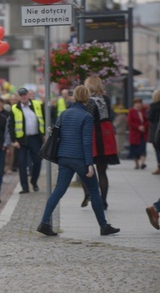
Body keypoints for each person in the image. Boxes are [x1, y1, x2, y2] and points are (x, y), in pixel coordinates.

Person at [36, 85, 120, 236]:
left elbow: (57, 133)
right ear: (87, 98)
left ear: (74, 97)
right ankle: (104, 226)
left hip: (63, 157)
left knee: (58, 191)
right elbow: (86, 141)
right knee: (94, 191)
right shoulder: (87, 117)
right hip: (79, 159)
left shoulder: (64, 113)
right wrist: (89, 164)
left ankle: (44, 222)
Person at [81, 76, 120, 210]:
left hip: (92, 135)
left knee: (86, 169)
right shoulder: (106, 99)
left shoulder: (88, 101)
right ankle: (104, 201)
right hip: (105, 135)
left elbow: (87, 118)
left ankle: (88, 194)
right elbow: (109, 115)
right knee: (102, 172)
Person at [9, 87, 45, 194]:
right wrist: (14, 140)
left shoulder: (37, 105)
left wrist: (44, 134)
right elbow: (11, 126)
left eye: (25, 94)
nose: (23, 97)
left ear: (28, 95)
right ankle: (25, 187)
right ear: (19, 97)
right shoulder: (15, 108)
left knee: (38, 161)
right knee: (22, 164)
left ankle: (34, 181)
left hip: (35, 138)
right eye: (21, 95)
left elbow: (44, 119)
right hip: (21, 140)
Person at [128, 98, 149, 170]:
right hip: (135, 133)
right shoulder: (131, 111)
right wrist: (138, 127)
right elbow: (130, 122)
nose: (138, 108)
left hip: (143, 133)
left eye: (139, 106)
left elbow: (147, 120)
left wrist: (144, 126)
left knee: (143, 148)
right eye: (136, 106)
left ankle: (142, 163)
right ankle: (136, 163)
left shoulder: (144, 111)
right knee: (135, 149)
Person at [146, 89, 160, 174]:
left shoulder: (153, 106)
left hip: (156, 130)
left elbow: (149, 117)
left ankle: (159, 166)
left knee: (157, 149)